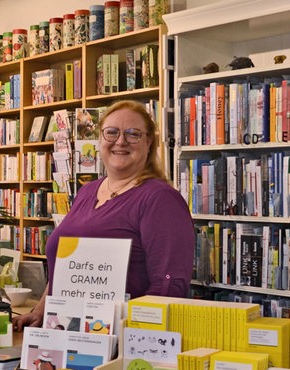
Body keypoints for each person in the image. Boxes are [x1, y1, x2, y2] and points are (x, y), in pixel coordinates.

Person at [13, 100, 194, 331]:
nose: (121, 141)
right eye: (111, 133)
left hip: (118, 341)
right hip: (63, 333)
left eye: (133, 134)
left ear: (148, 142)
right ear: (100, 140)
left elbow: (169, 286)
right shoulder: (87, 191)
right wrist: (40, 310)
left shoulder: (160, 200)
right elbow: (68, 270)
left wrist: (129, 336)